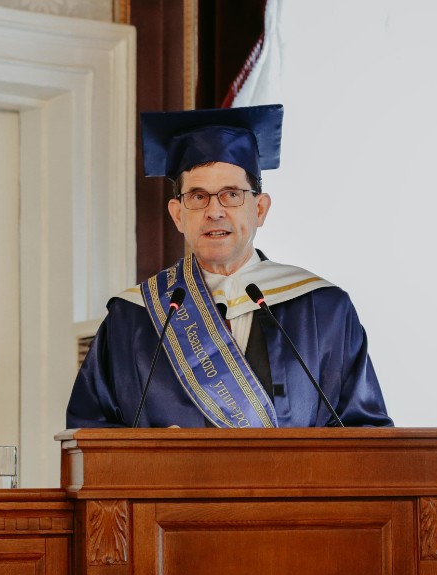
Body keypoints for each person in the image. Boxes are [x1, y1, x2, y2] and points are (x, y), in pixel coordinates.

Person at [66, 104, 392, 428]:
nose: (214, 211)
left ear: (260, 209)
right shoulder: (133, 316)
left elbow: (363, 433)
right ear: (178, 214)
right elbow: (89, 431)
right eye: (197, 197)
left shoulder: (323, 309)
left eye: (232, 194)